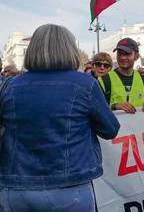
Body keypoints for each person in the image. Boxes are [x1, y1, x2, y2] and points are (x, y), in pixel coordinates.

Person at [0, 24, 120, 212]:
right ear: (69, 49)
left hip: (16, 186)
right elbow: (110, 129)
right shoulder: (85, 84)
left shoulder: (9, 86)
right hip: (70, 188)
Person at [98, 38, 144, 114]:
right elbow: (95, 109)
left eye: (127, 54)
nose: (122, 57)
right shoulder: (104, 81)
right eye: (119, 53)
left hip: (140, 125)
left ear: (136, 56)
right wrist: (114, 107)